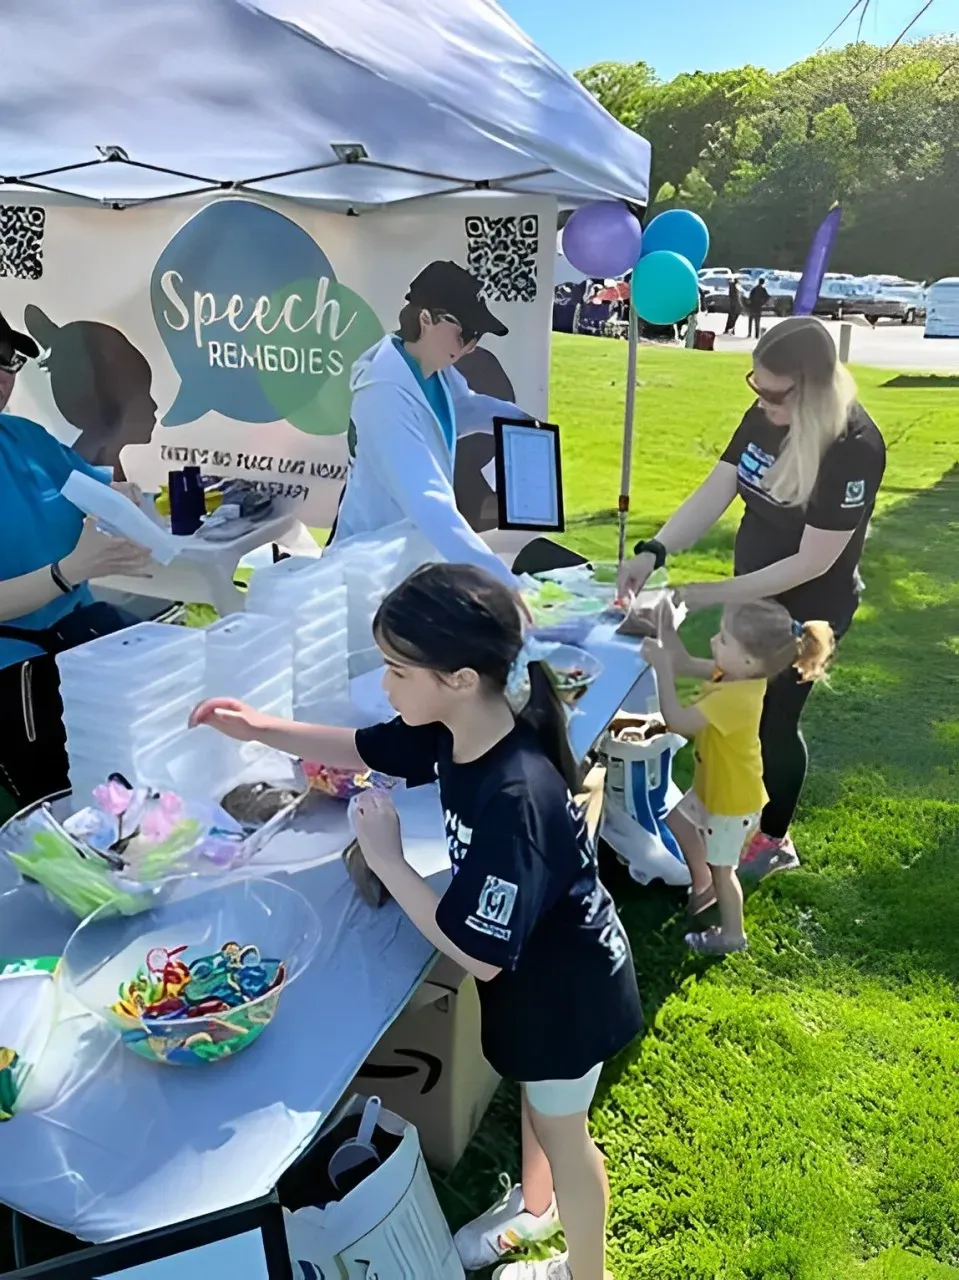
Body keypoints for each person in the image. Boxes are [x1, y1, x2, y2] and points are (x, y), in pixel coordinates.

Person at [191, 562, 644, 1280]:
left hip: (567, 996)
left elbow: (480, 952)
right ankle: (533, 1208)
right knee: (541, 1107)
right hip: (539, 985)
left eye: (398, 670)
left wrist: (389, 858)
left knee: (567, 1138)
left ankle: (584, 1272)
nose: (384, 684)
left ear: (459, 677)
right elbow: (361, 745)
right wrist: (257, 726)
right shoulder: (453, 729)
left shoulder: (514, 795)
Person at [619, 316, 886, 880]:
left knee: (772, 721)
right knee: (730, 705)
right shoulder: (764, 417)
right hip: (753, 589)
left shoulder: (854, 447)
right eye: (755, 386)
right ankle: (721, 807)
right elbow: (717, 489)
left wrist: (713, 592)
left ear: (813, 388)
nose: (761, 400)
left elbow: (813, 561)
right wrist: (654, 551)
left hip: (807, 606)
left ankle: (773, 836)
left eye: (774, 392)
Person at [0, 309, 153, 809]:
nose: (4, 375)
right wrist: (70, 571)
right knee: (66, 808)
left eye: (10, 360)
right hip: (19, 670)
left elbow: (103, 491)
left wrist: (132, 505)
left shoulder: (24, 438)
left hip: (86, 643)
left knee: (142, 770)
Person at [642, 599, 834, 953]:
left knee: (723, 868)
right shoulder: (733, 673)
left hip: (730, 802)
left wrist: (661, 672)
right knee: (679, 822)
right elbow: (684, 662)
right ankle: (703, 889)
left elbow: (678, 722)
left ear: (749, 661)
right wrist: (666, 626)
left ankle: (732, 934)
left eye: (725, 640)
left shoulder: (735, 696)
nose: (715, 641)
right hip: (714, 786)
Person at [330, 260, 532, 589]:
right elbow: (427, 499)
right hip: (371, 565)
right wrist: (502, 582)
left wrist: (521, 423)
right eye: (466, 333)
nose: (471, 346)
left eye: (477, 337)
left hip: (407, 556)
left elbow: (461, 409)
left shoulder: (431, 370)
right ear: (426, 320)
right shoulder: (384, 395)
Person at [22, 306, 158, 475]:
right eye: (143, 394)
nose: (154, 406)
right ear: (109, 405)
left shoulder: (99, 466)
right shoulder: (82, 477)